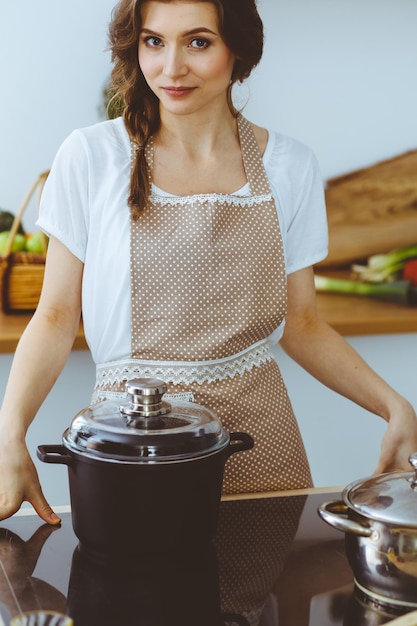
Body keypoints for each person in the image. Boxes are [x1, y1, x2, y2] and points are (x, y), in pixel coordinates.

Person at [0, 0, 416, 526]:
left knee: (266, 599)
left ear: (238, 48)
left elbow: (303, 325)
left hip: (262, 442)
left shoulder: (289, 166)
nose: (171, 68)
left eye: (198, 42)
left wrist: (395, 406)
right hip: (134, 443)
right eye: (154, 41)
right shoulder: (91, 157)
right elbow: (56, 317)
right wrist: (8, 434)